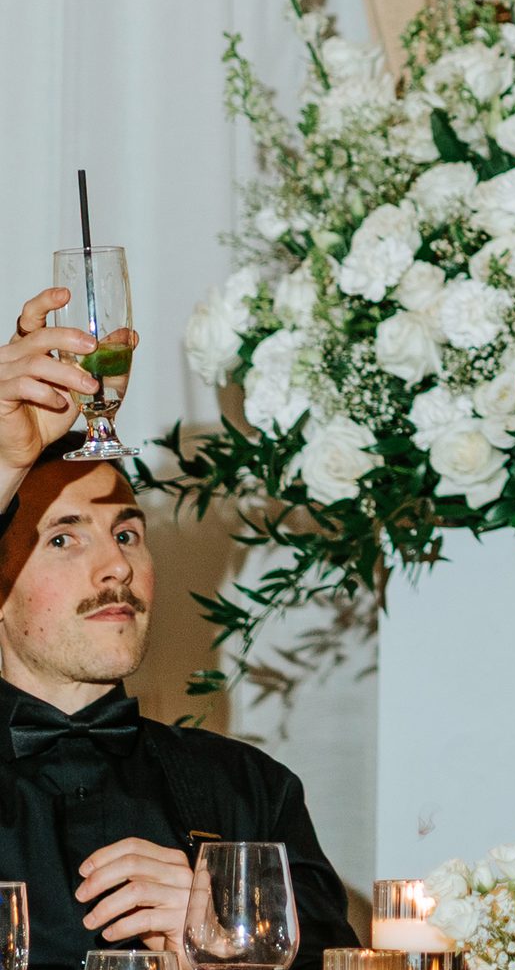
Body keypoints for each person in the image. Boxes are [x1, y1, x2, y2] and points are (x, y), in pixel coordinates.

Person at [0, 289, 358, 970]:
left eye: (127, 533)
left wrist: (228, 937)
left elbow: (339, 954)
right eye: (65, 538)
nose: (116, 566)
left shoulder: (253, 788)